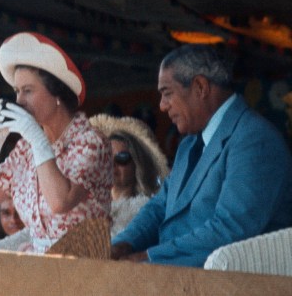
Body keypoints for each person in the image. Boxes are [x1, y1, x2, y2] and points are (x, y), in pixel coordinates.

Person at [112, 45, 292, 267]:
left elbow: (230, 230)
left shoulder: (254, 139)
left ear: (200, 86)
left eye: (167, 93)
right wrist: (120, 245)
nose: (161, 106)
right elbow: (159, 207)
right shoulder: (189, 145)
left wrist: (148, 257)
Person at [0, 32, 112, 254]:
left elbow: (60, 202)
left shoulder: (90, 141)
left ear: (57, 94)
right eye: (17, 92)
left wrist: (37, 138)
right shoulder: (24, 149)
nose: (19, 101)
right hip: (43, 268)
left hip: (85, 268)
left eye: (28, 91)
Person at [89, 114, 169, 237]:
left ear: (138, 165)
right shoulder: (87, 207)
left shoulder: (148, 208)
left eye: (122, 158)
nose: (112, 164)